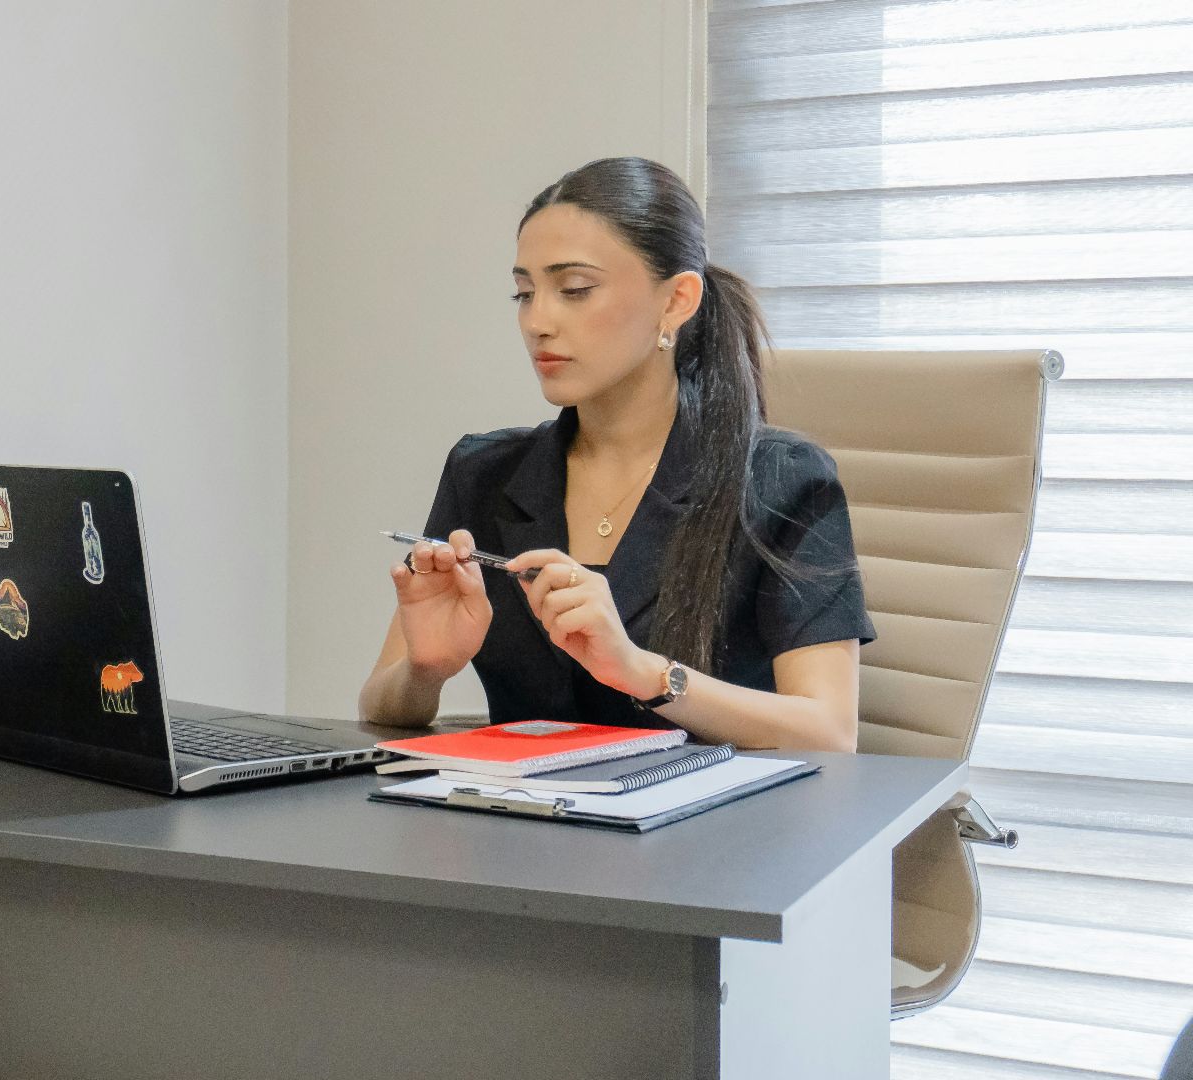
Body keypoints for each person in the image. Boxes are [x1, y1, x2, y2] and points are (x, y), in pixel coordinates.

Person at [357, 157, 875, 752]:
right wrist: (427, 670)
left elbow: (830, 731)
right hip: (523, 829)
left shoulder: (782, 478)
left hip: (712, 830)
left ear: (677, 301)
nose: (538, 322)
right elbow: (383, 702)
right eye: (524, 293)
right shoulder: (483, 472)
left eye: (574, 290)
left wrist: (642, 671)